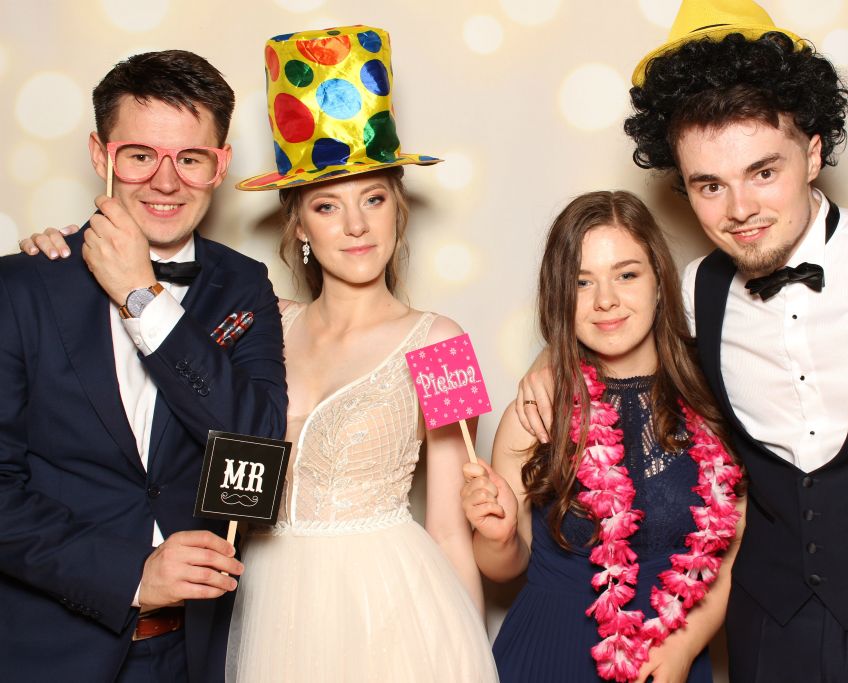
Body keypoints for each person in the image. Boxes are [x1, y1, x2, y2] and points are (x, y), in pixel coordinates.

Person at [517, 1, 848, 680]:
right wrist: (551, 364)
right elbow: (613, 326)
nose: (740, 210)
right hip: (767, 638)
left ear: (813, 152)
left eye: (763, 172)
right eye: (709, 185)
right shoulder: (695, 291)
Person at [0, 50, 287, 681]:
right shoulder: (20, 287)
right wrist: (132, 574)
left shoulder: (243, 284)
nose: (165, 182)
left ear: (221, 165)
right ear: (100, 155)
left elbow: (256, 445)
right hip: (49, 652)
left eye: (190, 158)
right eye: (139, 156)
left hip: (197, 654)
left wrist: (142, 297)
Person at [222, 26, 497, 681]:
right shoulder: (262, 325)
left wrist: (468, 658)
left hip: (388, 610)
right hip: (270, 606)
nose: (355, 225)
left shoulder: (443, 342)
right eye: (327, 206)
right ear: (299, 224)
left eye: (373, 198)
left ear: (397, 209)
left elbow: (451, 527)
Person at [464, 190, 743, 683]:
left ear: (659, 281)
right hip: (548, 656)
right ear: (559, 296)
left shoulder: (715, 399)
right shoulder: (536, 412)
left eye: (627, 274)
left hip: (671, 656)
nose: (605, 300)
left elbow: (739, 548)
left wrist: (684, 646)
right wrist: (497, 536)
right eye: (581, 282)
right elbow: (505, 568)